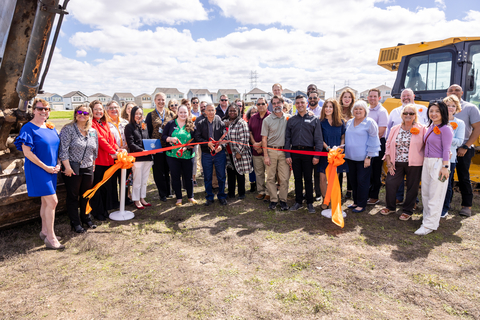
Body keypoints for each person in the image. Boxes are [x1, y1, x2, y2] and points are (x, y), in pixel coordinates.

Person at [14, 98, 63, 249]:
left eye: (46, 109)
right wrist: (46, 167)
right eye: (40, 109)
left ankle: (44, 231)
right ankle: (51, 237)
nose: (43, 112)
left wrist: (59, 163)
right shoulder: (28, 128)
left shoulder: (50, 127)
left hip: (51, 170)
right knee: (53, 201)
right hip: (38, 169)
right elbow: (27, 152)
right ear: (33, 110)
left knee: (46, 202)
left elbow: (56, 149)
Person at [381, 104, 426, 220]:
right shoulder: (395, 128)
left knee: (412, 187)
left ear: (415, 115)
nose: (408, 115)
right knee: (390, 183)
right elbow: (388, 144)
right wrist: (389, 162)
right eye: (406, 113)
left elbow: (427, 145)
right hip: (396, 162)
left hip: (414, 163)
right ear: (402, 115)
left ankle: (407, 210)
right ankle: (390, 207)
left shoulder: (422, 129)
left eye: (411, 113)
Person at [59, 103, 98, 233]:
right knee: (73, 196)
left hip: (88, 167)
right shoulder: (68, 129)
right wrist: (67, 167)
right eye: (79, 112)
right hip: (72, 168)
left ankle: (86, 218)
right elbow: (63, 150)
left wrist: (93, 164)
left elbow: (94, 150)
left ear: (89, 116)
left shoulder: (92, 131)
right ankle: (75, 223)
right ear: (76, 114)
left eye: (85, 113)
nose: (82, 115)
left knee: (86, 195)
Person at [415, 100, 453, 235]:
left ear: (443, 112)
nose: (434, 113)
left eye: (437, 111)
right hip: (427, 161)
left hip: (439, 163)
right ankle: (427, 219)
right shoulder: (430, 127)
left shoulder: (446, 129)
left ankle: (429, 225)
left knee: (435, 194)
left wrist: (445, 166)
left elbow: (446, 149)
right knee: (425, 192)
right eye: (431, 111)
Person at [385, 88, 428, 206]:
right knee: (393, 182)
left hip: (415, 158)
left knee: (412, 183)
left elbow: (428, 137)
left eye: (408, 95)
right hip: (397, 157)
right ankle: (397, 199)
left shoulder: (423, 110)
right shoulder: (394, 112)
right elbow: (388, 131)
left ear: (413, 96)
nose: (406, 98)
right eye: (403, 96)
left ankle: (412, 203)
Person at [284, 95, 323, 213]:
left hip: (308, 153)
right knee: (297, 178)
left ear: (306, 103)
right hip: (295, 152)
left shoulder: (314, 119)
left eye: (302, 102)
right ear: (295, 105)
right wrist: (287, 155)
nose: (300, 104)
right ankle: (298, 202)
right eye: (297, 103)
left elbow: (318, 139)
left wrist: (316, 155)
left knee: (308, 178)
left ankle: (310, 202)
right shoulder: (291, 120)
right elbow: (287, 139)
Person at [446, 84, 480, 217]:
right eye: (451, 90)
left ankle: (466, 205)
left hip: (463, 148)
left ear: (462, 93)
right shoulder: (443, 108)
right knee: (446, 178)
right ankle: (446, 204)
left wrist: (465, 146)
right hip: (447, 149)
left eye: (457, 90)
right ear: (447, 93)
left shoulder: (471, 108)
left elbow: (477, 128)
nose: (453, 92)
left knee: (463, 176)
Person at [90, 100, 124, 221]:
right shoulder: (92, 124)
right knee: (97, 187)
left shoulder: (104, 123)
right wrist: (113, 152)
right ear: (91, 111)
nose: (98, 111)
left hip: (108, 160)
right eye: (96, 109)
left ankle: (104, 210)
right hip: (99, 160)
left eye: (100, 109)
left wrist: (117, 149)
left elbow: (111, 139)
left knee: (106, 188)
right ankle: (97, 212)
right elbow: (100, 140)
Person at [344, 100, 380, 213]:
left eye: (360, 109)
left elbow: (374, 140)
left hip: (363, 159)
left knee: (362, 181)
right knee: (353, 180)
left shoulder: (370, 122)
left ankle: (361, 203)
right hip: (350, 158)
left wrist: (369, 157)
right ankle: (355, 201)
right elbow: (347, 139)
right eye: (356, 109)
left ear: (365, 111)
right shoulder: (349, 122)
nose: (358, 111)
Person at [162, 105, 197, 206]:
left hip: (187, 155)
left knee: (188, 177)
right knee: (175, 176)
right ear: (177, 112)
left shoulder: (191, 124)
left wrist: (186, 147)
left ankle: (190, 196)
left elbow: (195, 139)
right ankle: (179, 198)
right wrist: (170, 139)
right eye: (181, 112)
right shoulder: (170, 124)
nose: (183, 114)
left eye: (185, 112)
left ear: (188, 113)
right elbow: (163, 136)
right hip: (173, 156)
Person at [194, 103, 228, 206]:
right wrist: (206, 142)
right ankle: (209, 197)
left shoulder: (220, 123)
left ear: (215, 111)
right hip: (206, 153)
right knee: (207, 177)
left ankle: (221, 196)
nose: (211, 112)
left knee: (221, 176)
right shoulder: (200, 123)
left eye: (212, 110)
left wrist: (221, 147)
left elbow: (225, 137)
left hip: (219, 153)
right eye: (208, 110)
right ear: (205, 111)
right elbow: (197, 137)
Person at [317, 98, 348, 210]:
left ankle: (332, 199)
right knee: (322, 178)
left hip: (337, 155)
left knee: (334, 179)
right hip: (325, 153)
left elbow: (343, 136)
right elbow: (319, 138)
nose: (328, 109)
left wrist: (340, 147)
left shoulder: (340, 121)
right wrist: (329, 149)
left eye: (331, 106)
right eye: (326, 106)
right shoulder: (320, 122)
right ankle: (325, 199)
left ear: (335, 108)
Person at [145, 92, 175, 202]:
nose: (161, 102)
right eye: (158, 100)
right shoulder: (150, 115)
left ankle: (169, 192)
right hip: (156, 147)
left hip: (168, 146)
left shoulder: (170, 114)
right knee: (159, 171)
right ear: (155, 101)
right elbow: (148, 132)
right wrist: (149, 148)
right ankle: (162, 194)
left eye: (163, 100)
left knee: (168, 169)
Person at [262, 96, 290, 211]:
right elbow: (264, 139)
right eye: (274, 103)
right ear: (271, 105)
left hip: (284, 152)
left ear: (283, 103)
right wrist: (266, 156)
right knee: (271, 177)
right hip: (271, 151)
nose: (276, 105)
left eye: (279, 103)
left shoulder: (289, 118)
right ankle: (273, 200)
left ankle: (283, 200)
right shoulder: (267, 120)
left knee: (284, 178)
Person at [441, 95, 465, 218]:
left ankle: (444, 208)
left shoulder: (459, 123)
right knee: (434, 183)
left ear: (457, 108)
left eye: (453, 106)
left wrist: (446, 137)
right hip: (435, 156)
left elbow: (460, 141)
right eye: (447, 105)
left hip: (450, 158)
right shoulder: (438, 120)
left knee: (447, 184)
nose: (450, 108)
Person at [125, 106, 153, 209]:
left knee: (145, 179)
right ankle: (136, 200)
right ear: (132, 115)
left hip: (148, 157)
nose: (138, 116)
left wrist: (152, 148)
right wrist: (141, 151)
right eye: (136, 114)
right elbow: (130, 143)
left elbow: (148, 139)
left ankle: (142, 198)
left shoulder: (144, 125)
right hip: (138, 158)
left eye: (140, 114)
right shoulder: (129, 127)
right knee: (137, 180)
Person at [224, 103, 253, 199]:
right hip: (228, 153)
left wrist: (238, 152)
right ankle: (231, 193)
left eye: (234, 110)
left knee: (239, 173)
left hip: (238, 153)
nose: (232, 112)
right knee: (230, 173)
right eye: (230, 110)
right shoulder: (226, 122)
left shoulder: (241, 123)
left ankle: (241, 193)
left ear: (238, 111)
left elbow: (244, 139)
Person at [106, 100, 131, 206]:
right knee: (112, 180)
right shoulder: (105, 124)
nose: (113, 110)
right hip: (113, 155)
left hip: (125, 154)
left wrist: (127, 146)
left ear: (119, 109)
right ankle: (113, 201)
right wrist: (116, 149)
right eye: (111, 108)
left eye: (115, 107)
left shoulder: (125, 122)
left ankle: (125, 199)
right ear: (107, 110)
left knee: (124, 179)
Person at [366, 88, 388, 205]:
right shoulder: (367, 110)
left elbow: (380, 132)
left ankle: (374, 196)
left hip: (377, 144)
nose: (372, 98)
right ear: (368, 97)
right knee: (367, 170)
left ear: (379, 98)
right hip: (366, 144)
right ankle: (367, 193)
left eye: (375, 96)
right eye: (371, 96)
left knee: (375, 170)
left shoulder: (382, 111)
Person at [249, 97, 271, 201]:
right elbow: (250, 132)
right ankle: (261, 191)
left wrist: (261, 145)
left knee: (270, 173)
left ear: (267, 104)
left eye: (263, 103)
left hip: (268, 151)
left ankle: (269, 192)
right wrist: (254, 144)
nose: (261, 106)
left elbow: (272, 134)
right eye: (258, 104)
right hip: (256, 151)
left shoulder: (271, 116)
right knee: (259, 172)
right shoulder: (253, 117)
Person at [338, 88, 355, 199]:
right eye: (345, 97)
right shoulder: (337, 110)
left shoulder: (355, 111)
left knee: (350, 168)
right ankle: (338, 189)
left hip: (352, 143)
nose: (347, 99)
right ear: (341, 98)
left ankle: (349, 190)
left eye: (349, 97)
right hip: (339, 143)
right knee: (339, 167)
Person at [308, 90, 323, 202]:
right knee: (307, 172)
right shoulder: (304, 110)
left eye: (314, 98)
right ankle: (308, 192)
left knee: (317, 173)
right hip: (307, 146)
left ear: (318, 99)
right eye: (310, 98)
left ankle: (318, 193)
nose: (312, 100)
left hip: (319, 146)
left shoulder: (322, 111)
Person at [245, 105, 258, 192]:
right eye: (252, 112)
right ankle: (252, 183)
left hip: (260, 147)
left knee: (259, 167)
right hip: (250, 148)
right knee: (251, 167)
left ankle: (259, 183)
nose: (254, 114)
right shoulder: (246, 124)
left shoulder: (262, 122)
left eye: (255, 112)